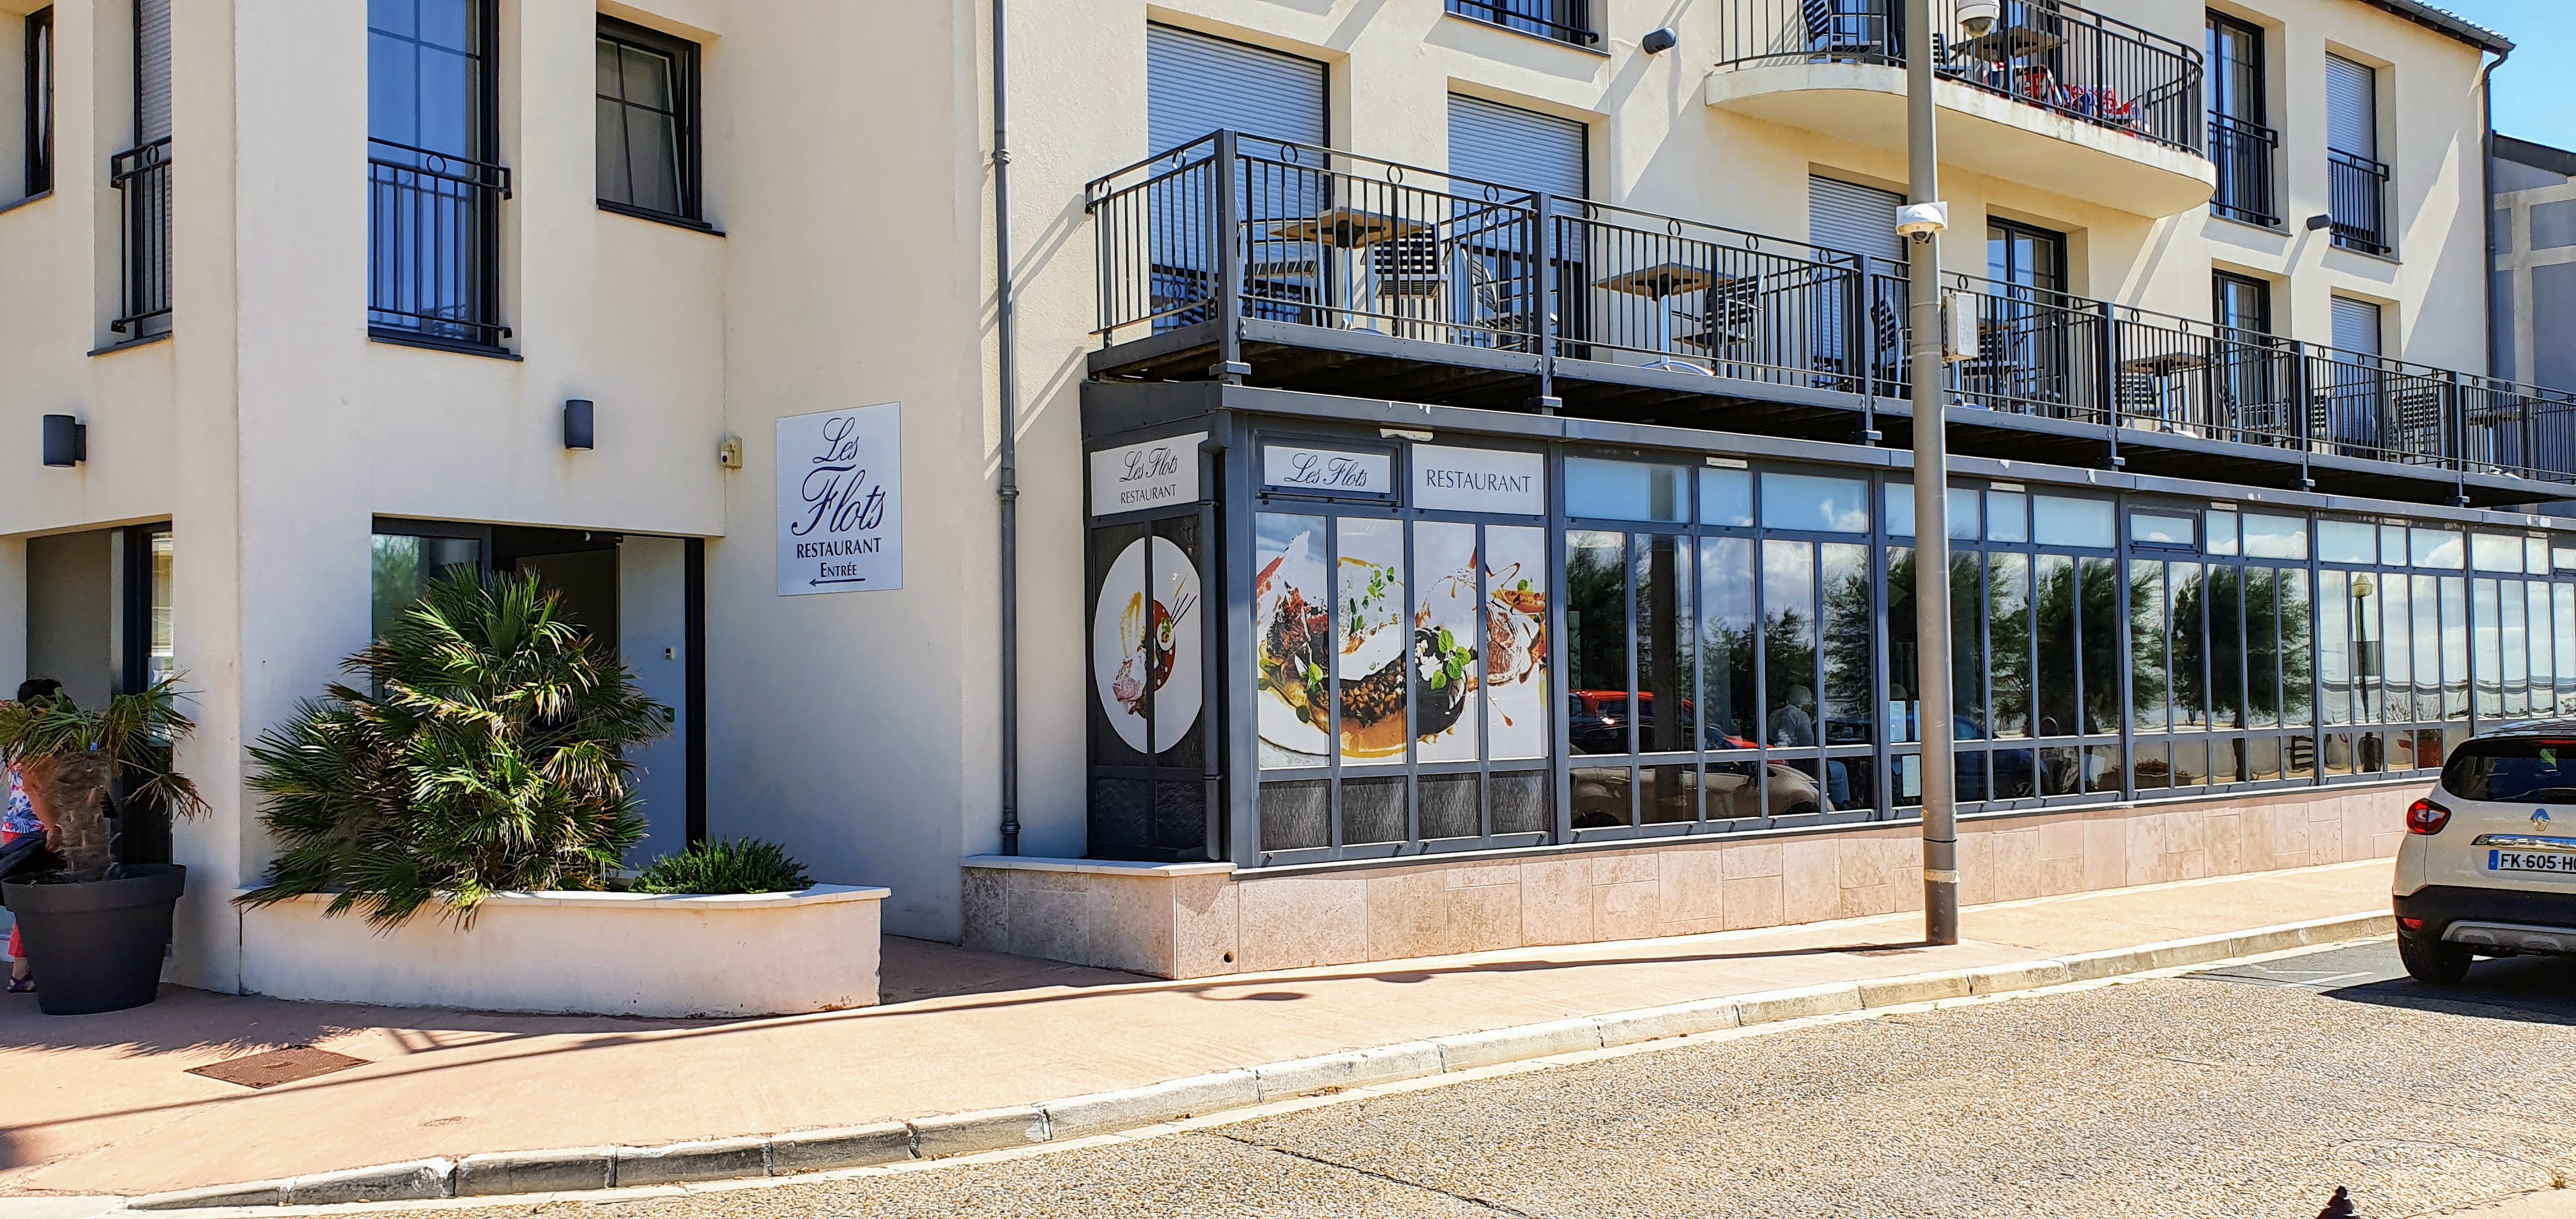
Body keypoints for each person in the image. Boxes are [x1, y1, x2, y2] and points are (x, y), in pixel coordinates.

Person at [3, 678, 64, 993]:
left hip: (16, 826)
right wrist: (53, 826)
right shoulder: (39, 740)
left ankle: (26, 970)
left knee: (29, 900)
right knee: (32, 901)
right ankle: (21, 973)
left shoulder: (19, 736)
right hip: (35, 830)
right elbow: (35, 787)